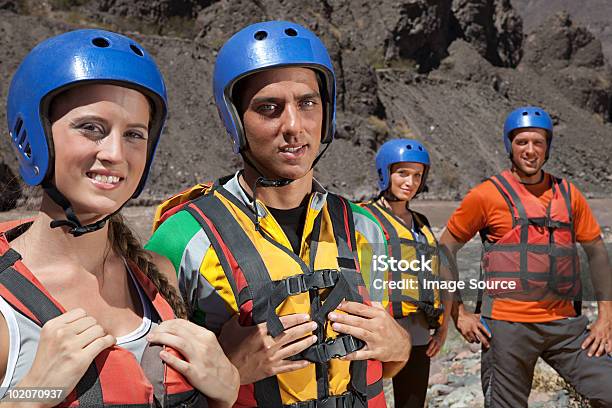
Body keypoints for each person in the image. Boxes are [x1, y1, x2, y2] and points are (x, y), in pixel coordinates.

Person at [147, 21, 411, 408]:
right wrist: (228, 369)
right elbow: (148, 389)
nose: (293, 126)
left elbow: (383, 360)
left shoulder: (366, 228)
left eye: (307, 103)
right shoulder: (180, 238)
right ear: (235, 120)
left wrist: (400, 346)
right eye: (269, 108)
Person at [0, 29, 239, 407]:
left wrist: (226, 394)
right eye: (91, 128)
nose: (115, 153)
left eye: (134, 134)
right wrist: (32, 395)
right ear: (34, 134)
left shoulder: (159, 277)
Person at [439, 106, 612, 407]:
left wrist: (606, 318)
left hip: (565, 326)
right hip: (507, 328)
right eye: (522, 142)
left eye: (538, 142)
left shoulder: (569, 194)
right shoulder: (486, 195)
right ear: (510, 146)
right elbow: (445, 249)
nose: (530, 150)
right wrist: (459, 313)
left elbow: (597, 252)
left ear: (547, 147)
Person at [360, 139, 450, 408]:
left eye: (417, 175)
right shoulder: (362, 217)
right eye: (402, 173)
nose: (410, 182)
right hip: (374, 331)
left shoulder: (421, 224)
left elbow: (439, 275)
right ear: (385, 174)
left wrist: (443, 328)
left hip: (419, 332)